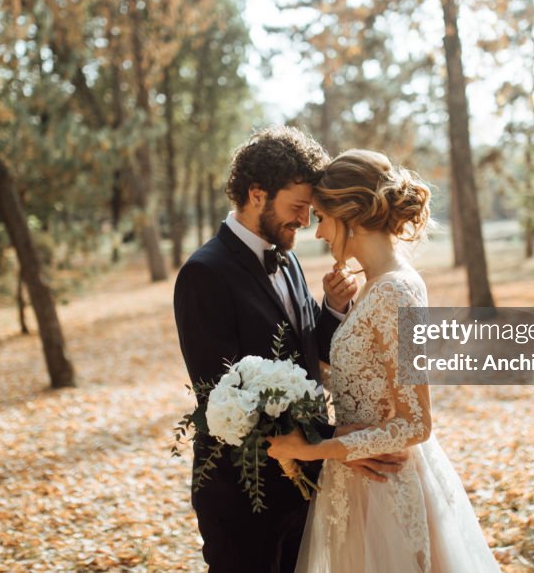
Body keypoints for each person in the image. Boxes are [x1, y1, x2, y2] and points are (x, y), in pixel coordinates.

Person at [174, 128, 406, 573]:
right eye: (297, 207)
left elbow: (302, 358)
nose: (305, 220)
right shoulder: (204, 273)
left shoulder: (290, 258)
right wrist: (332, 441)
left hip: (305, 486)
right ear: (257, 194)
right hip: (244, 493)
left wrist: (333, 310)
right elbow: (222, 397)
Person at [267, 149, 503, 572]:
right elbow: (361, 378)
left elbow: (416, 422)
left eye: (322, 216)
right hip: (355, 488)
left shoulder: (396, 292)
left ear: (350, 214)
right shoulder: (373, 287)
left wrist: (319, 448)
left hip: (385, 493)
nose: (318, 232)